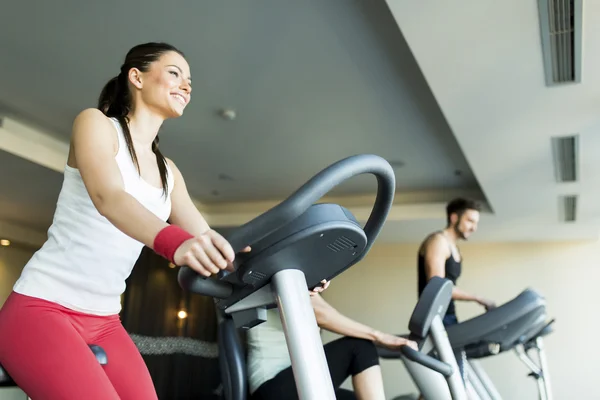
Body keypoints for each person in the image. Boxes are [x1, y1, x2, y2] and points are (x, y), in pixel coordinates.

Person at [0, 42, 244, 400]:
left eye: (190, 80)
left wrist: (282, 270)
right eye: (175, 73)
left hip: (104, 322)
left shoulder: (169, 172)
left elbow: (206, 237)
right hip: (41, 309)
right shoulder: (96, 124)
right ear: (137, 77)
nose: (187, 86)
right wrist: (175, 243)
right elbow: (109, 197)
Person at [247, 280, 418, 400]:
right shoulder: (281, 272)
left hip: (292, 382)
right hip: (271, 387)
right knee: (359, 346)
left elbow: (323, 310)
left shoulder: (299, 278)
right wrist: (379, 336)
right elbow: (321, 315)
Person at [417, 197, 496, 381]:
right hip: (434, 318)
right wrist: (478, 298)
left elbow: (449, 286)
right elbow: (437, 286)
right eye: (470, 221)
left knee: (452, 379)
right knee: (446, 379)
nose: (473, 227)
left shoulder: (454, 248)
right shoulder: (438, 241)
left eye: (476, 223)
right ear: (454, 218)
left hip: (448, 316)